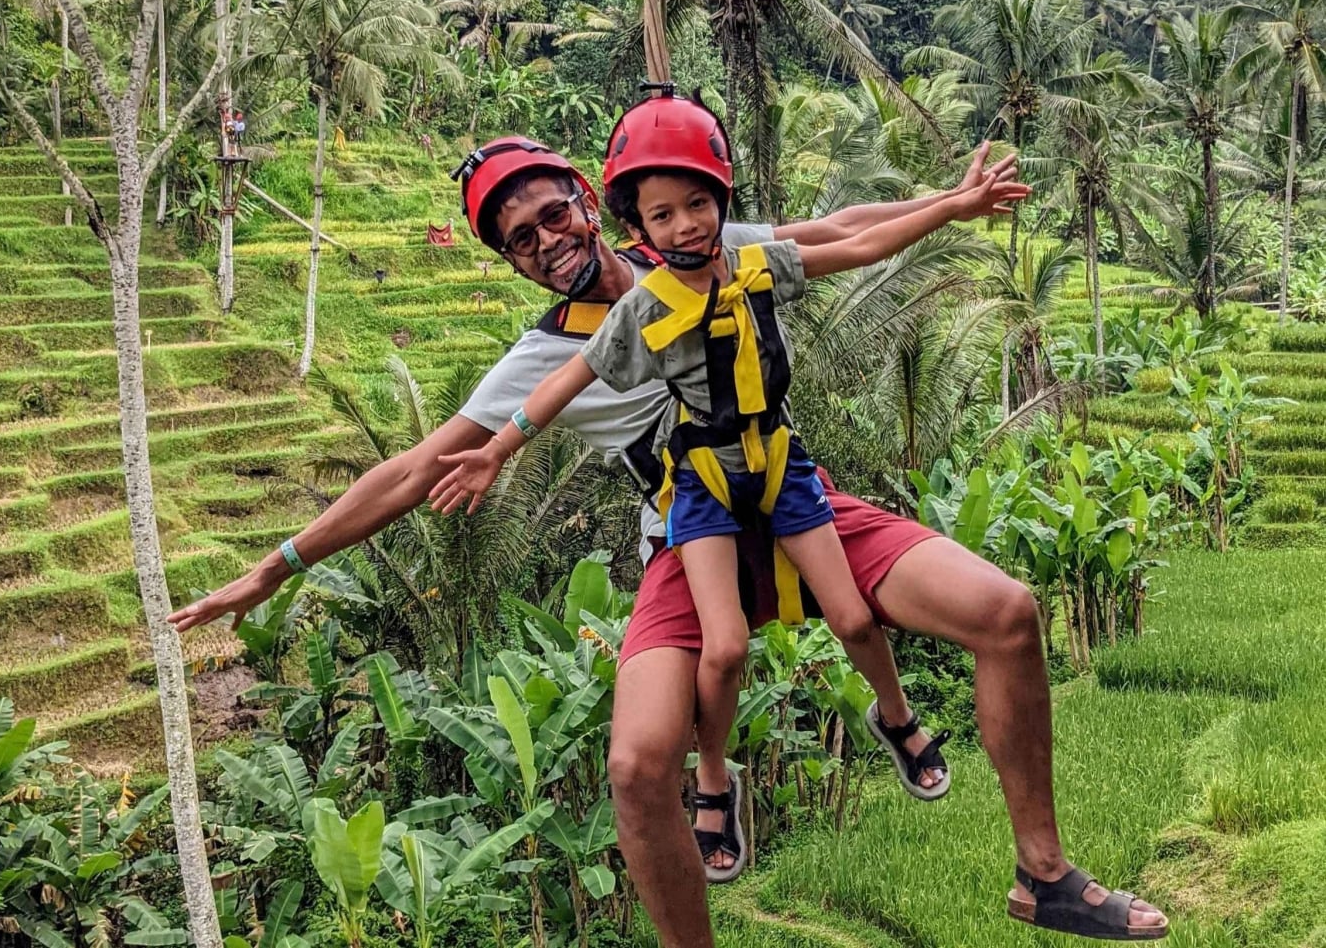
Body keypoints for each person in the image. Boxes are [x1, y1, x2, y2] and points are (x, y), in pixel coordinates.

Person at [169, 130, 1169, 943]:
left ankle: (1045, 876)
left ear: (582, 196)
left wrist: (941, 201)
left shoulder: (693, 243)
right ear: (511, 261)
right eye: (518, 238)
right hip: (689, 537)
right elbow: (410, 469)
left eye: (551, 211)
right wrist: (277, 564)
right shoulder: (542, 352)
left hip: (790, 495)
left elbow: (834, 229)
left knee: (1005, 611)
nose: (544, 238)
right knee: (638, 762)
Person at [428, 90, 1000, 882]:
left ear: (719, 203)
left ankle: (895, 716)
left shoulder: (757, 264)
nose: (686, 226)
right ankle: (712, 779)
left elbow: (859, 242)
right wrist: (498, 449)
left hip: (776, 462)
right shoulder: (639, 308)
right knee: (723, 648)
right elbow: (566, 379)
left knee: (853, 617)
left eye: (698, 205)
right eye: (663, 216)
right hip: (699, 483)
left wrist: (954, 206)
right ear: (640, 227)